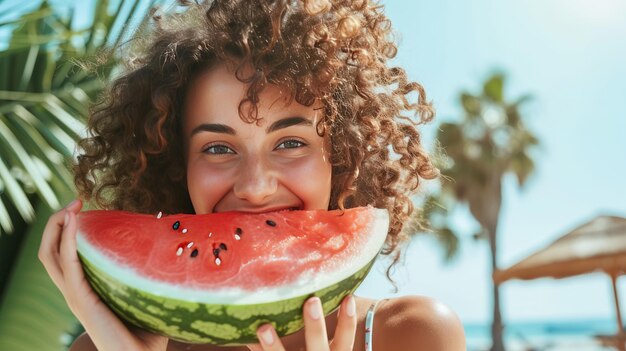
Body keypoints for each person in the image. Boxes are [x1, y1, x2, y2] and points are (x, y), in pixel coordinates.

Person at [38, 0, 466, 350]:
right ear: (175, 164)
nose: (256, 187)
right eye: (218, 149)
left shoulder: (413, 333)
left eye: (290, 143)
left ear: (342, 157)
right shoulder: (104, 346)